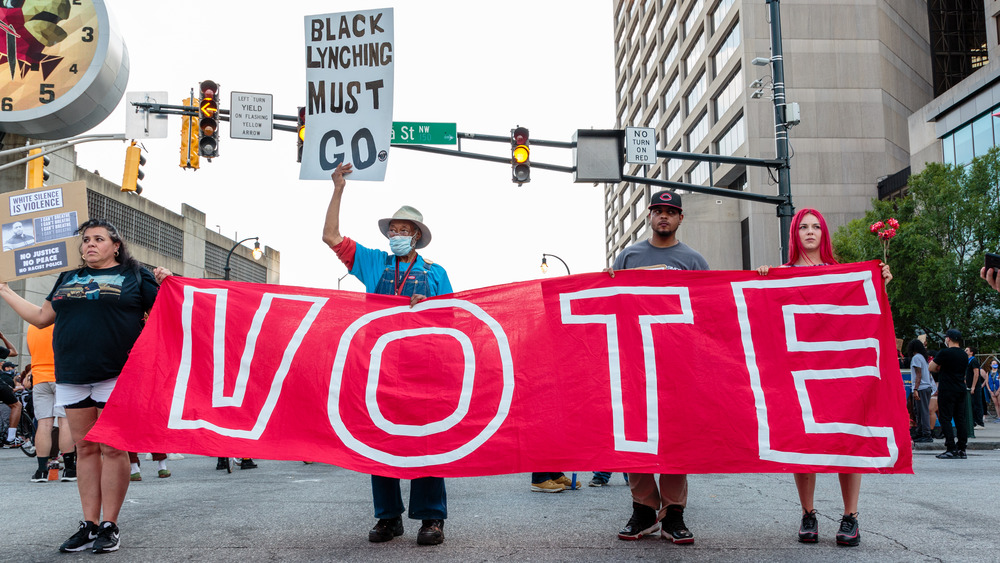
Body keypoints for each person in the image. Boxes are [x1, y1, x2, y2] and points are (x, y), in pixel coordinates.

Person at [0, 219, 172, 554]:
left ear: (116, 245)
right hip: (71, 374)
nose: (89, 244)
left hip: (117, 374)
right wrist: (4, 290)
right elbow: (40, 317)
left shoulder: (135, 276)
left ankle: (110, 524)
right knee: (86, 449)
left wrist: (168, 283)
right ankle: (89, 524)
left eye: (98, 239)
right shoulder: (68, 278)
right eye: (85, 240)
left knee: (112, 448)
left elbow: (168, 311)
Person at [323, 162, 452, 546]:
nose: (396, 234)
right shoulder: (375, 262)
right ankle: (388, 517)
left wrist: (427, 305)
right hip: (380, 370)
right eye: (392, 229)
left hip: (423, 370)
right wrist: (338, 188)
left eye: (403, 230)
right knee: (380, 441)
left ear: (416, 236)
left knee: (427, 441)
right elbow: (330, 235)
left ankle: (432, 519)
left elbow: (452, 321)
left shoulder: (435, 272)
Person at [757, 208, 893, 547]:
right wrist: (762, 281)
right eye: (803, 226)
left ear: (824, 233)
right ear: (794, 234)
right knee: (803, 443)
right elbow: (762, 321)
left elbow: (867, 316)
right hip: (798, 370)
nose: (810, 231)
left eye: (816, 226)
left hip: (839, 371)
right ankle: (808, 513)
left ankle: (851, 517)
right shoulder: (780, 274)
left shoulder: (842, 273)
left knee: (848, 442)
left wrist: (880, 284)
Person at [609, 190, 707, 544]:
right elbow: (610, 303)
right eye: (658, 211)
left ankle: (674, 514)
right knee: (634, 433)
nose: (664, 216)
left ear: (681, 218)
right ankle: (643, 510)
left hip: (678, 364)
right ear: (649, 216)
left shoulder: (694, 261)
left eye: (671, 211)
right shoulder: (629, 256)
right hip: (635, 362)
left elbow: (709, 310)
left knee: (676, 438)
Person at [27, 324, 77, 482]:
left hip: (39, 377)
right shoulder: (65, 321)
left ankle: (41, 470)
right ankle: (69, 469)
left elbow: (30, 351)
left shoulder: (32, 326)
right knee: (65, 422)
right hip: (62, 375)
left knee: (44, 423)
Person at [929, 329, 970, 461]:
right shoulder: (964, 355)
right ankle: (962, 448)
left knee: (945, 418)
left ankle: (951, 448)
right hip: (960, 388)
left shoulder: (945, 352)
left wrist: (940, 368)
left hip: (947, 388)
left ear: (949, 339)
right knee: (960, 418)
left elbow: (931, 367)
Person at [909, 339, 934, 443]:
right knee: (920, 411)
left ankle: (926, 433)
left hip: (921, 388)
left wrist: (915, 389)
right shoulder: (922, 358)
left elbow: (918, 374)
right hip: (925, 387)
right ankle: (921, 432)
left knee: (922, 411)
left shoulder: (916, 358)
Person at [965, 346, 986, 427]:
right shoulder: (968, 361)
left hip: (975, 387)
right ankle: (973, 422)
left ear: (971, 352)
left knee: (977, 404)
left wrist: (973, 386)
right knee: (972, 404)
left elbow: (976, 374)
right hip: (969, 385)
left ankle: (979, 422)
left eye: (967, 350)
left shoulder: (974, 361)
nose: (965, 351)